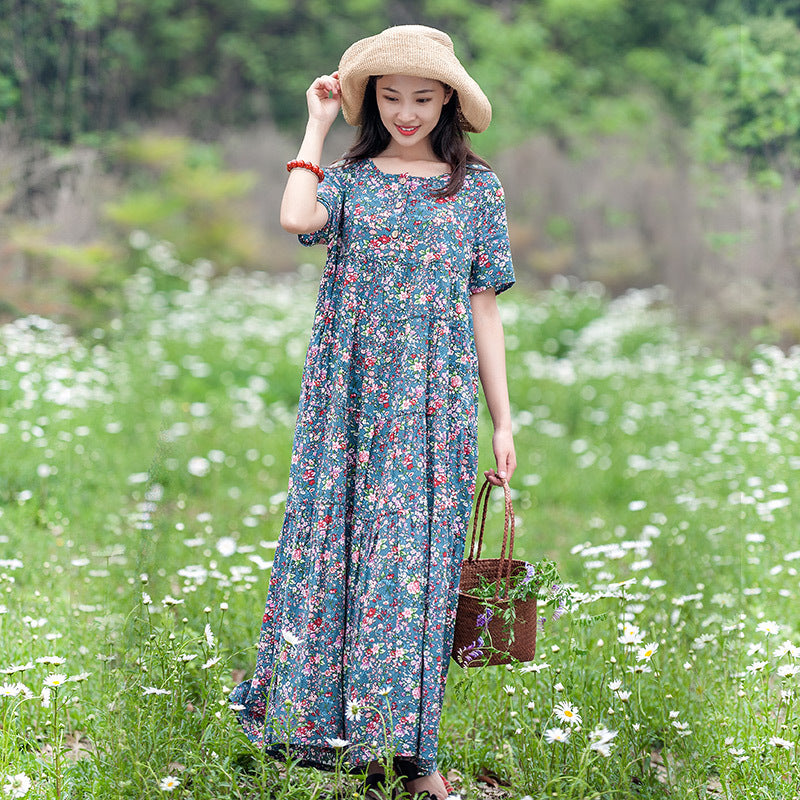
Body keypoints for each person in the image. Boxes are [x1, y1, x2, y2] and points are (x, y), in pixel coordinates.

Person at [230, 24, 517, 800]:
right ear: (372, 104)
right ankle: (342, 737)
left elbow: (483, 306)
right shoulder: (352, 184)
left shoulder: (476, 189)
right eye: (390, 98)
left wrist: (505, 417)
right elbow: (296, 219)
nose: (407, 112)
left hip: (436, 405)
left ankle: (416, 759)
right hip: (350, 402)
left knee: (417, 573)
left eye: (423, 98)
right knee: (342, 555)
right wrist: (316, 125)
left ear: (449, 101)